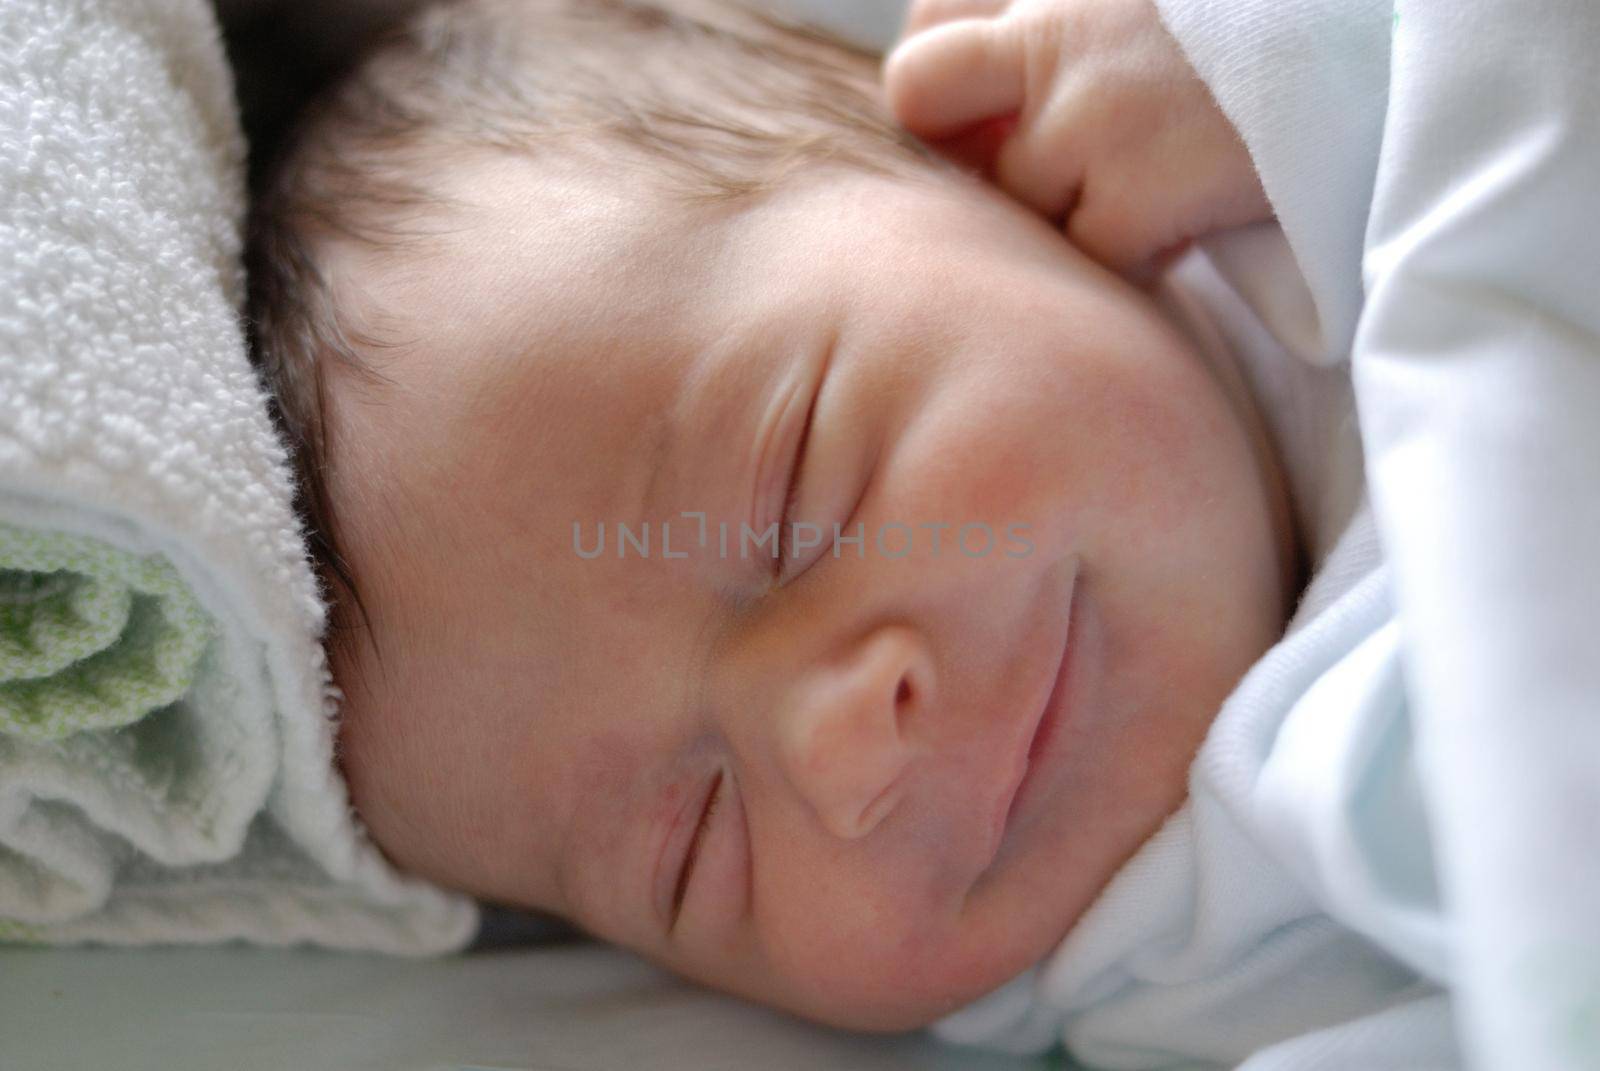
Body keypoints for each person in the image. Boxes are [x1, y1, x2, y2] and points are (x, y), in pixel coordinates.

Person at [246, 0, 1600, 1066]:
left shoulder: (1342, 158)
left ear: (977, 150)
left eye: (795, 496)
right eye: (693, 848)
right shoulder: (1205, 981)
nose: (839, 746)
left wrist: (1295, 55)